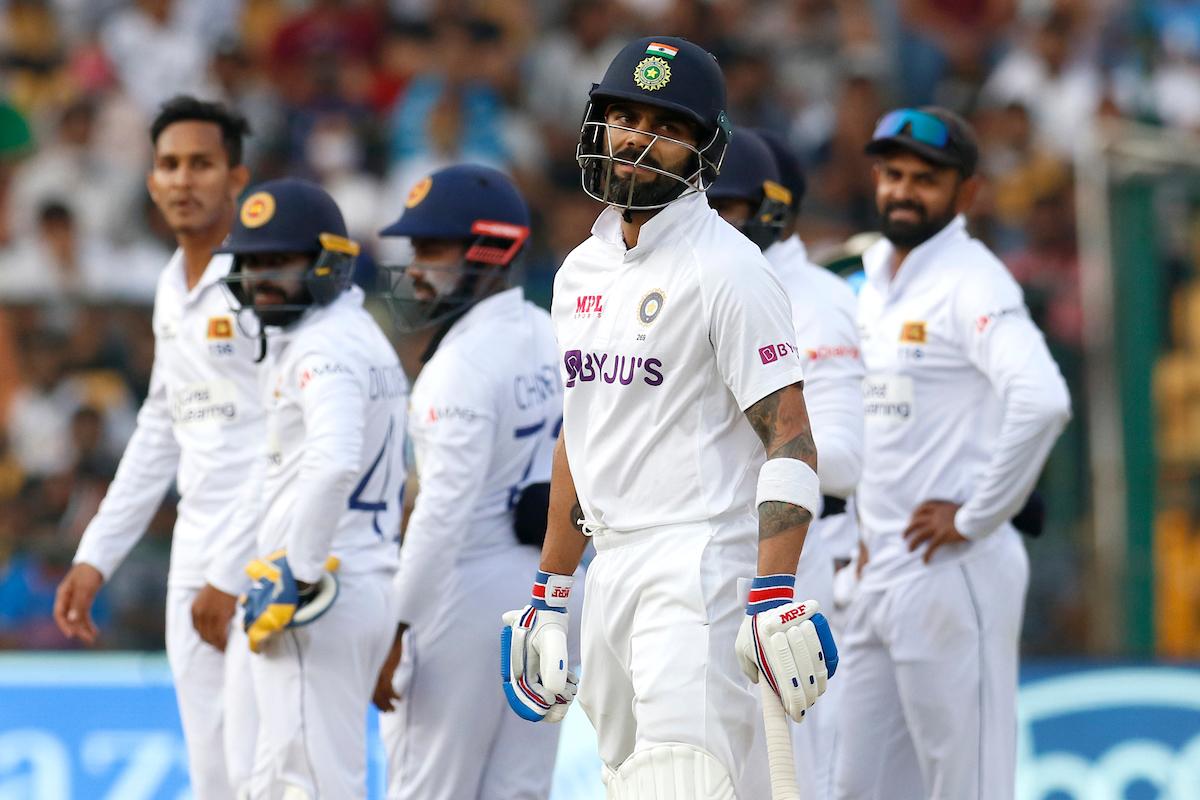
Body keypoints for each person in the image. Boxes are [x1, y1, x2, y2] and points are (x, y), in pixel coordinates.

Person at [499, 36, 838, 799]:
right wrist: (550, 589)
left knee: (680, 784)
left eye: (667, 126)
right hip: (611, 568)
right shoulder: (579, 269)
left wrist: (773, 590)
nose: (637, 141)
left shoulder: (728, 269)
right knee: (630, 784)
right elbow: (578, 435)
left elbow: (791, 433)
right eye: (623, 116)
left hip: (700, 563)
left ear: (703, 148)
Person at [833, 107, 1071, 800]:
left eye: (926, 180)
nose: (903, 191)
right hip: (879, 573)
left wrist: (975, 517)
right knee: (855, 787)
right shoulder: (874, 276)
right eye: (893, 174)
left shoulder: (973, 278)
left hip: (951, 570)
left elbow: (1044, 398)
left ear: (967, 193)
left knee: (965, 786)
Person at [52, 95, 259, 799]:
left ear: (237, 178)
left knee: (279, 775)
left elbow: (298, 443)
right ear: (150, 182)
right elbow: (158, 430)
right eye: (169, 164)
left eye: (201, 163)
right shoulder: (171, 285)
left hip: (266, 557)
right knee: (215, 779)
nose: (182, 179)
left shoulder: (268, 282)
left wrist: (233, 569)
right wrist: (95, 554)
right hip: (194, 557)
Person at [372, 163, 579, 799]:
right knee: (519, 789)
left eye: (432, 249)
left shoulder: (458, 366)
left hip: (459, 593)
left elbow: (441, 513)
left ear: (490, 251)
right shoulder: (555, 334)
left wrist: (395, 626)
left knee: (429, 787)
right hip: (551, 592)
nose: (414, 268)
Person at [214, 178, 408, 799]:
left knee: (307, 785)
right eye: (253, 262)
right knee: (277, 780)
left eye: (281, 261)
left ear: (326, 262)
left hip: (321, 591)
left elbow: (332, 461)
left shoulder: (322, 347)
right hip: (351, 580)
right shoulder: (353, 335)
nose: (261, 277)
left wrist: (294, 578)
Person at [709, 126, 864, 800]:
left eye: (730, 206)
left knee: (793, 772)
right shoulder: (711, 285)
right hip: (719, 549)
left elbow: (845, 462)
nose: (713, 221)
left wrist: (759, 438)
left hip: (795, 559)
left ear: (769, 209)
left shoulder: (817, 301)